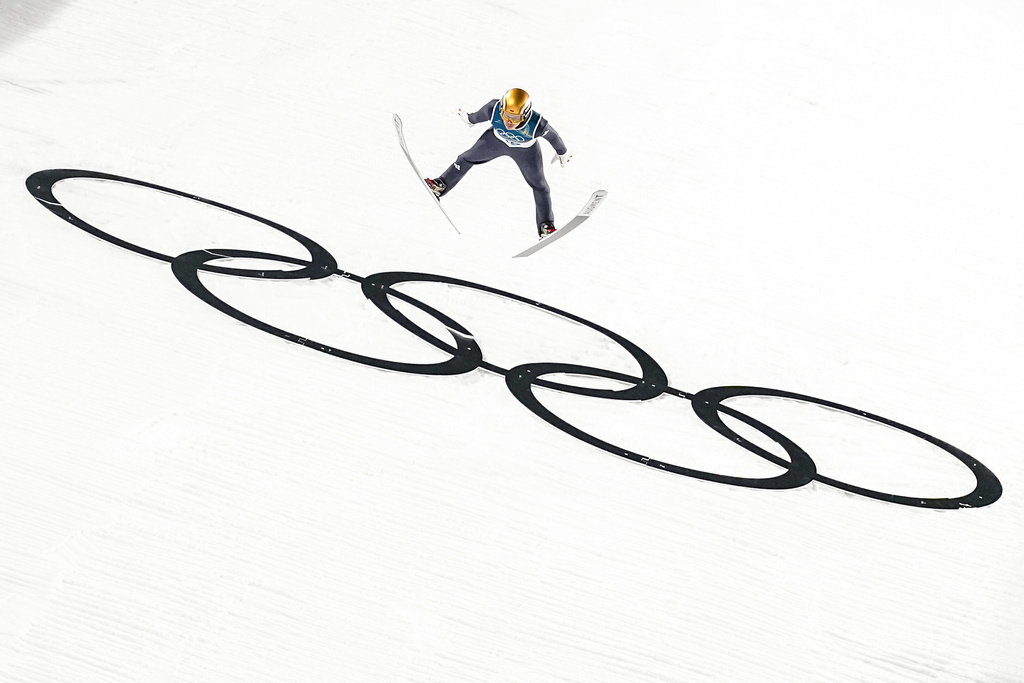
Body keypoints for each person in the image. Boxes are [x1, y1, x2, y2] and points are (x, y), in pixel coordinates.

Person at [426, 88, 572, 238]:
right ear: (501, 109)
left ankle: (546, 225)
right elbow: (478, 116)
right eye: (506, 115)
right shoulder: (494, 108)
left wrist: (562, 152)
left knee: (540, 186)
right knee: (466, 158)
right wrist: (469, 119)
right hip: (495, 141)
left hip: (525, 151)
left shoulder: (537, 124)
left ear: (526, 115)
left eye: (515, 118)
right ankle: (440, 185)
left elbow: (554, 137)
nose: (509, 122)